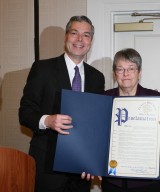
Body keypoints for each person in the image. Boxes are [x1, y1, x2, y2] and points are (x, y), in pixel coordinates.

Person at [19, 15, 105, 192]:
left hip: (81, 168)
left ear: (91, 41)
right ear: (66, 36)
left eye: (86, 35)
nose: (80, 39)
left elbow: (96, 124)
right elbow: (25, 112)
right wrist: (47, 120)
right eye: (74, 33)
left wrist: (92, 160)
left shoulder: (97, 78)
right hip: (47, 164)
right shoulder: (42, 69)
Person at [102, 48, 160, 192]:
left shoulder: (156, 100)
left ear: (139, 73)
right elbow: (95, 137)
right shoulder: (103, 99)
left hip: (149, 182)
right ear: (114, 74)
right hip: (114, 180)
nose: (126, 74)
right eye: (120, 69)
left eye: (131, 68)